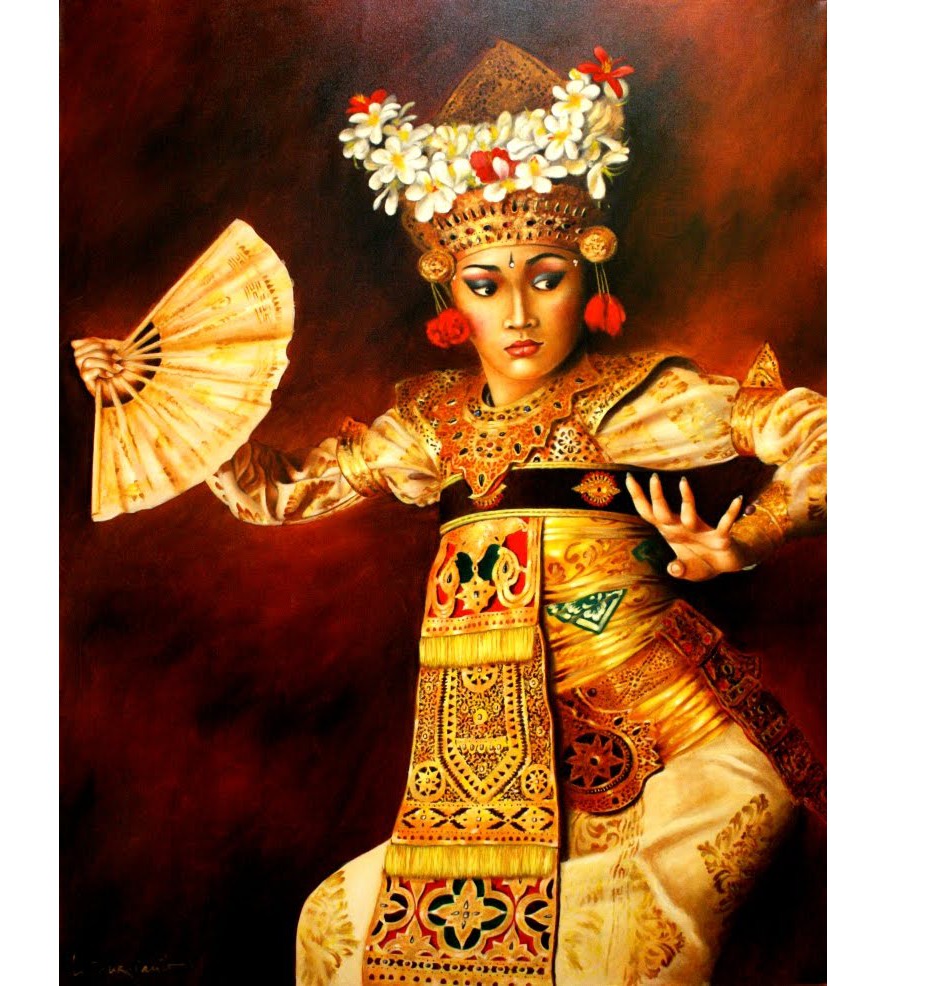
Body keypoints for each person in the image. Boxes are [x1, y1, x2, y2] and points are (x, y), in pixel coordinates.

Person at [74, 41, 825, 986]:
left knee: (631, 946)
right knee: (333, 931)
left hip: (682, 759)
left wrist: (745, 539)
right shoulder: (428, 426)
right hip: (499, 787)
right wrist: (162, 387)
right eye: (485, 285)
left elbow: (826, 438)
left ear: (589, 274)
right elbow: (280, 491)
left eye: (545, 277)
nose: (518, 315)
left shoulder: (635, 399)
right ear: (450, 292)